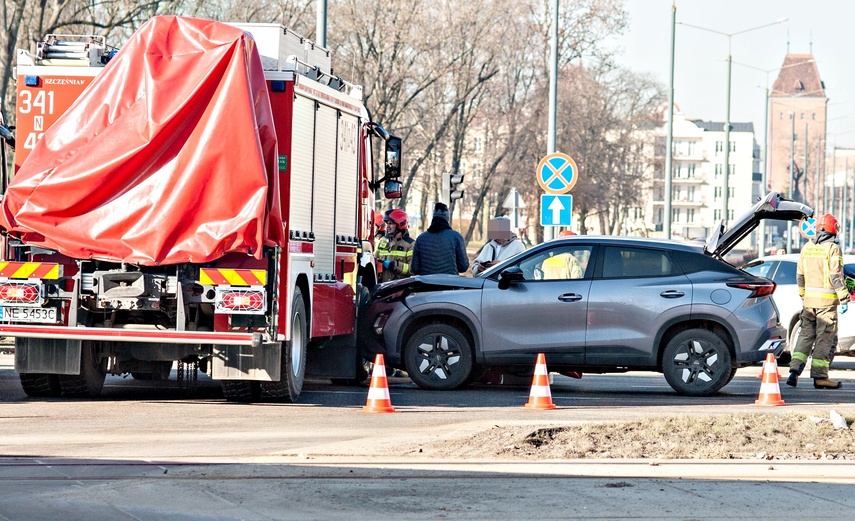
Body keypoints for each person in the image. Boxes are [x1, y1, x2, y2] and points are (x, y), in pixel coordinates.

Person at [787, 213, 850, 389]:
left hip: (808, 302)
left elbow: (800, 275)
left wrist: (803, 295)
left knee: (805, 335)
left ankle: (794, 371)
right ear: (833, 229)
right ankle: (820, 377)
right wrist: (844, 298)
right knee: (825, 338)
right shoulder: (832, 248)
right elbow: (836, 275)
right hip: (826, 304)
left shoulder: (807, 248)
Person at [410, 202, 469, 275]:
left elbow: (414, 269)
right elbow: (463, 267)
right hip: (449, 284)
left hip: (426, 284)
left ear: (433, 217)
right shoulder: (456, 237)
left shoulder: (421, 238)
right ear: (447, 218)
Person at [375, 208, 414, 283]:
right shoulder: (383, 241)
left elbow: (412, 269)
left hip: (399, 287)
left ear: (400, 224)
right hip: (382, 286)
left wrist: (394, 265)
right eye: (387, 224)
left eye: (391, 223)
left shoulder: (410, 245)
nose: (388, 226)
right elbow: (375, 259)